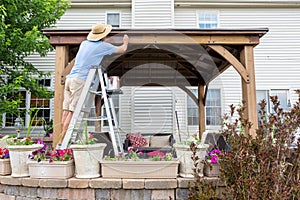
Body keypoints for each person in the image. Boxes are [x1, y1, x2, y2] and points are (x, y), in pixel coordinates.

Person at [59, 23, 129, 146]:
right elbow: (122, 49)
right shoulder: (102, 46)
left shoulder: (84, 44)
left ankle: (61, 139)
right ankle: (62, 141)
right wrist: (126, 41)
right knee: (73, 112)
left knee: (66, 111)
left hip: (70, 78)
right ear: (103, 36)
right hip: (80, 81)